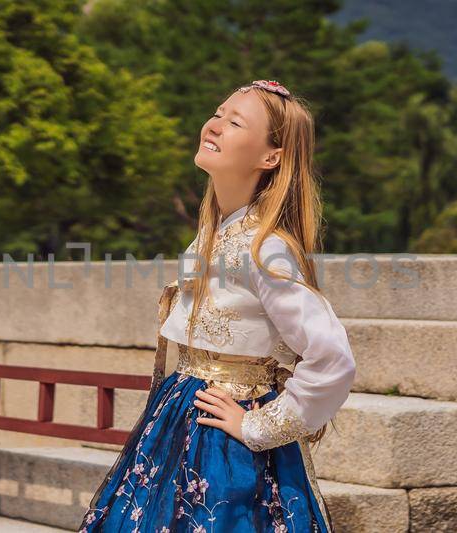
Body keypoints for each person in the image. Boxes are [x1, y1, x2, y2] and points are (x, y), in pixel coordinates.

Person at [79, 79, 357, 532]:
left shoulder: (266, 249)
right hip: (181, 416)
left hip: (224, 440)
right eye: (218, 112)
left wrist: (257, 428)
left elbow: (333, 360)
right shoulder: (213, 234)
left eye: (235, 121)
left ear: (271, 157)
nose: (215, 125)